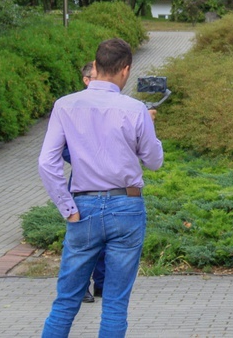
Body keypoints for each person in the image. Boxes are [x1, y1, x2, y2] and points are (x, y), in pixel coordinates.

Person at [38, 38, 164, 337]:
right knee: (116, 304)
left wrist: (67, 207)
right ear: (126, 70)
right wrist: (149, 125)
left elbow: (47, 162)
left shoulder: (65, 105)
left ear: (95, 66)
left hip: (83, 207)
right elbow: (155, 161)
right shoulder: (135, 109)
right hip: (127, 206)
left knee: (66, 301)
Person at [62, 62, 106, 304]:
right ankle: (81, 286)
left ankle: (102, 283)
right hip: (83, 184)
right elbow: (62, 150)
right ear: (86, 81)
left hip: (112, 186)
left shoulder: (113, 107)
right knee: (82, 239)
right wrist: (86, 160)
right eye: (95, 78)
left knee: (105, 240)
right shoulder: (71, 108)